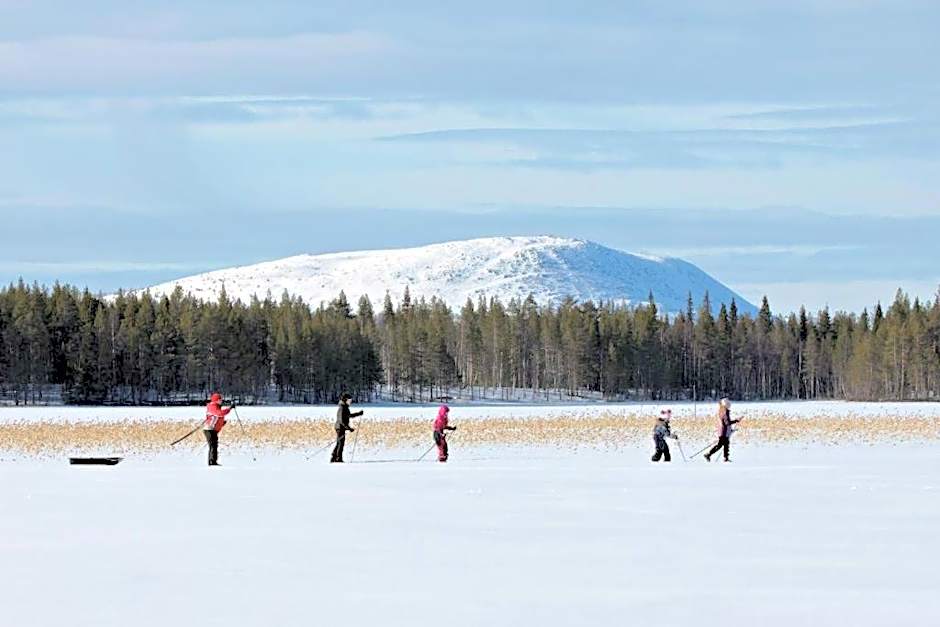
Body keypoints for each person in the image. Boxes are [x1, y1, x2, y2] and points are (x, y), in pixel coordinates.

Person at [705, 398, 741, 462]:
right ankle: (709, 454)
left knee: (726, 444)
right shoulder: (725, 412)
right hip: (724, 432)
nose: (729, 405)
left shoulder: (721, 411)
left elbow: (725, 422)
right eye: (728, 404)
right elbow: (727, 423)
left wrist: (731, 429)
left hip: (723, 431)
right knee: (721, 445)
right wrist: (736, 421)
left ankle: (725, 458)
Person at [331, 392, 363, 463]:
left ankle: (334, 456)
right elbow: (341, 420)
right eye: (349, 400)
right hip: (340, 428)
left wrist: (358, 414)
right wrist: (348, 428)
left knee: (339, 443)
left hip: (341, 427)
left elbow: (349, 415)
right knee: (340, 443)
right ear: (345, 400)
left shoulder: (344, 407)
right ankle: (338, 459)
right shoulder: (342, 408)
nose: (350, 402)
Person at [203, 392, 234, 467]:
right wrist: (229, 409)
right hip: (209, 429)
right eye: (219, 400)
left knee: (214, 445)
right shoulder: (212, 406)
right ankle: (212, 462)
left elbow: (218, 418)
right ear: (215, 400)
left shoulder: (216, 406)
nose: (221, 401)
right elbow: (219, 413)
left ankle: (213, 461)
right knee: (213, 445)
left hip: (213, 430)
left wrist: (222, 423)